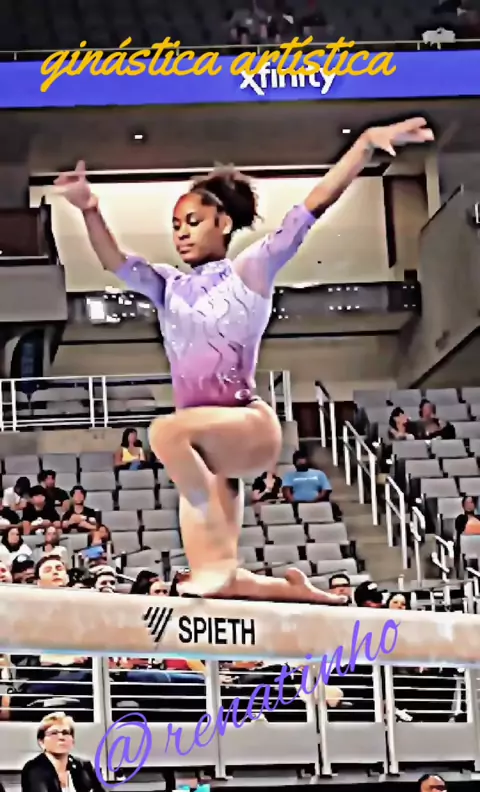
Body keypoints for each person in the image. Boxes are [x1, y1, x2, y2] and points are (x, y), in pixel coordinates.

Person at [55, 116, 433, 604]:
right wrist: (89, 209)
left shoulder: (248, 270)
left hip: (247, 427)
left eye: (193, 222)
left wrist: (363, 146)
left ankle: (205, 515)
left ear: (224, 223)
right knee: (218, 581)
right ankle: (301, 593)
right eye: (176, 226)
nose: (182, 234)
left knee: (166, 432)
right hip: (208, 451)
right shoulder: (167, 286)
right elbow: (115, 261)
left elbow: (310, 208)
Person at [21, 712, 115, 792]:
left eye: (65, 733)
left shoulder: (83, 766)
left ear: (73, 741)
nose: (61, 737)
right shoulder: (34, 768)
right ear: (41, 742)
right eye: (54, 733)